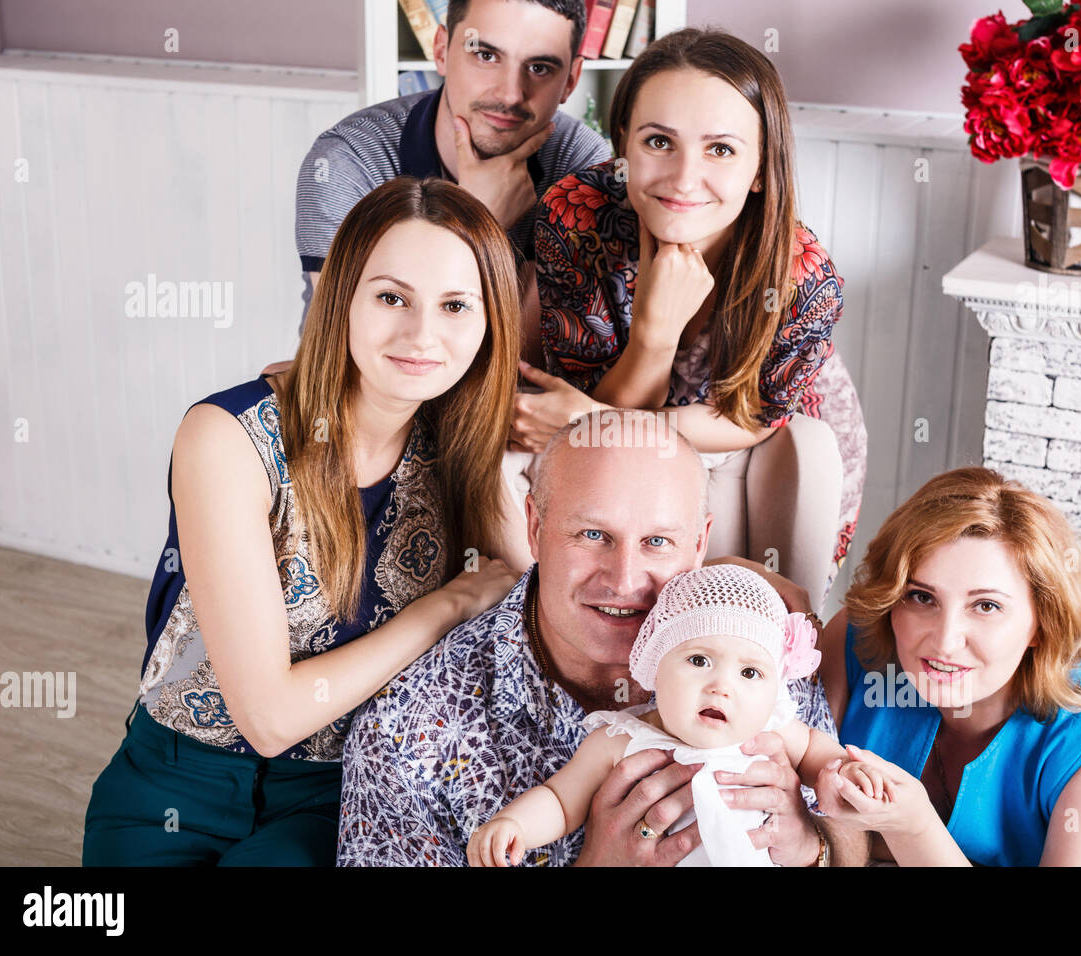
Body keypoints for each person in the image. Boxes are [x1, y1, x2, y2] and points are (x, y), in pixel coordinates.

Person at [82, 178, 522, 866]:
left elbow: (532, 600)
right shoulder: (225, 437)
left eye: (456, 306)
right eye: (390, 297)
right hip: (174, 778)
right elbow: (269, 718)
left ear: (490, 321)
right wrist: (449, 605)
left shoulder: (464, 446)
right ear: (337, 296)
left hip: (337, 790)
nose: (421, 335)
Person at [337, 410, 868, 867]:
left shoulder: (751, 655)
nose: (625, 580)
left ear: (700, 543)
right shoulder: (408, 729)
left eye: (658, 541)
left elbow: (851, 840)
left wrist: (809, 847)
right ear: (536, 527)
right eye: (593, 535)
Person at [508, 28, 867, 608]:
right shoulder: (576, 218)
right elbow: (601, 421)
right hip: (627, 411)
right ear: (622, 144)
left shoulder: (803, 275)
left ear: (758, 168)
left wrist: (597, 417)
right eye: (658, 142)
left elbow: (753, 419)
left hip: (749, 426)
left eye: (720, 149)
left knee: (812, 449)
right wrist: (653, 333)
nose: (682, 177)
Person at [813, 467, 1081, 866]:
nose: (945, 641)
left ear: (1041, 623)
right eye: (922, 597)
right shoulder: (856, 643)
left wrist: (914, 828)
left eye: (986, 606)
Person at [467, 564, 879, 867]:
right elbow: (559, 800)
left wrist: (843, 772)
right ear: (656, 665)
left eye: (750, 672)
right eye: (699, 660)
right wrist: (514, 825)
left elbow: (818, 753)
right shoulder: (621, 740)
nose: (722, 686)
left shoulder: (772, 731)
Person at [295, 0, 611, 351]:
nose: (510, 94)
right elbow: (347, 352)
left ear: (571, 80)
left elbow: (528, 362)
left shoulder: (581, 163)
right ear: (442, 50)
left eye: (539, 67)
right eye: (486, 56)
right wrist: (480, 216)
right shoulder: (350, 158)